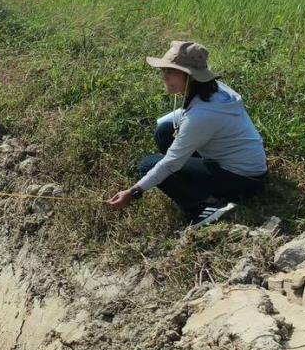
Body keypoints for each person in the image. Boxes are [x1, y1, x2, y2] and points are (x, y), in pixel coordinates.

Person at [108, 40, 266, 228]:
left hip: (242, 180)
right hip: (245, 167)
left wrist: (134, 191)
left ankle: (203, 206)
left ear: (190, 76)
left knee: (149, 164)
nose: (164, 77)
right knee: (164, 131)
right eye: (163, 71)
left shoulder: (202, 117)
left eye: (171, 71)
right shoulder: (214, 89)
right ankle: (198, 190)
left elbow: (171, 162)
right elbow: (187, 116)